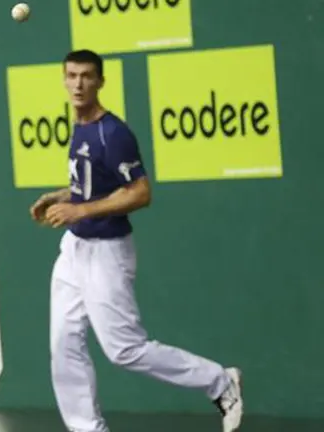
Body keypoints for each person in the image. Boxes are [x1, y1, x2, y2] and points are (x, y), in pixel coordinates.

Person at [29, 50, 244, 432]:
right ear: (63, 79)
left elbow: (140, 192)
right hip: (73, 251)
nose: (78, 84)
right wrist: (63, 197)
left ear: (101, 82)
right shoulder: (79, 125)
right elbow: (96, 185)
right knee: (64, 343)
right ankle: (87, 428)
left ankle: (220, 381)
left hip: (107, 253)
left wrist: (81, 210)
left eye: (87, 76)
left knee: (125, 350)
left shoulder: (113, 132)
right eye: (72, 76)